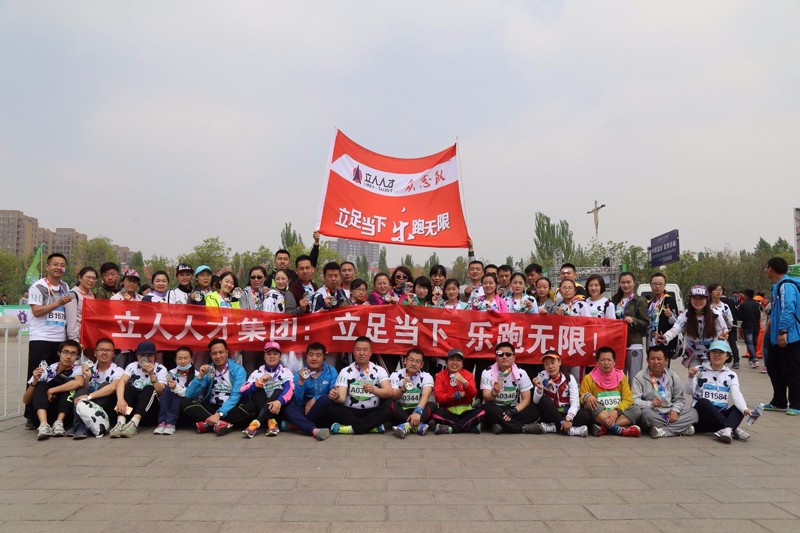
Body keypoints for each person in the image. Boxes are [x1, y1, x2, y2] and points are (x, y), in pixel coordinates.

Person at [686, 340, 754, 443]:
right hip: (701, 417)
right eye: (714, 352)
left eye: (721, 352)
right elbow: (688, 391)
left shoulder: (731, 375)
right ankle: (732, 428)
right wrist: (690, 377)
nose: (717, 355)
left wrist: (745, 410)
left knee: (740, 407)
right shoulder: (698, 370)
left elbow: (736, 393)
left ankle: (727, 430)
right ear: (709, 354)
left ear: (727, 356)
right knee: (703, 402)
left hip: (720, 415)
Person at [181, 338, 252, 435]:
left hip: (231, 408)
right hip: (211, 407)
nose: (218, 356)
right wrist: (200, 376)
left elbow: (236, 396)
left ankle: (207, 424)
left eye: (221, 352)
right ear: (210, 355)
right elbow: (190, 394)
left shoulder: (238, 370)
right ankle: (220, 424)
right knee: (185, 401)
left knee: (250, 406)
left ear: (227, 353)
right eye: (214, 353)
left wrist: (219, 414)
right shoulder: (208, 369)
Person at [327, 336, 392, 434]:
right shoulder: (345, 371)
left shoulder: (379, 370)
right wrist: (336, 396)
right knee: (332, 408)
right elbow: (342, 398)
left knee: (389, 407)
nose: (361, 353)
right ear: (354, 352)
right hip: (351, 412)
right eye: (358, 350)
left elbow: (389, 392)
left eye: (365, 350)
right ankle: (370, 427)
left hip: (372, 412)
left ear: (370, 352)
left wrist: (374, 390)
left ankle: (351, 429)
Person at [23, 339, 85, 440]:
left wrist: (52, 390)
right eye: (65, 352)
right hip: (43, 412)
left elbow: (79, 382)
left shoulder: (77, 369)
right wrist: (34, 382)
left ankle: (59, 423)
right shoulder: (48, 369)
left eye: (73, 354)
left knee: (71, 382)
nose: (68, 357)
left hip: (65, 415)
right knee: (40, 384)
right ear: (59, 353)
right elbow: (25, 400)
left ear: (77, 357)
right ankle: (44, 425)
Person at [632, 346, 698, 438]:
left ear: (666, 360)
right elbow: (635, 400)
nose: (656, 362)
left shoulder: (673, 376)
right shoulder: (640, 377)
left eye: (659, 359)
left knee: (694, 413)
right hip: (653, 413)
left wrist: (675, 411)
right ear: (647, 360)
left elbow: (679, 399)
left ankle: (663, 431)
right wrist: (650, 404)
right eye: (652, 359)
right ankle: (681, 429)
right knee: (645, 415)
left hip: (670, 413)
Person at [657, 285, 728, 368]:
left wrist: (722, 338)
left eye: (701, 298)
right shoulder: (686, 315)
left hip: (711, 354)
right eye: (695, 298)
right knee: (694, 375)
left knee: (710, 374)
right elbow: (676, 328)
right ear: (690, 299)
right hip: (693, 355)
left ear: (707, 299)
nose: (698, 301)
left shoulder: (716, 315)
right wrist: (665, 337)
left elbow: (723, 332)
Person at [763, 257, 800, 415]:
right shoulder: (777, 286)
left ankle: (796, 404)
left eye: (766, 267)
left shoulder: (786, 286)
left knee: (791, 370)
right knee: (774, 367)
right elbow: (778, 308)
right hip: (776, 337)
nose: (765, 270)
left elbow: (789, 308)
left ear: (771, 268)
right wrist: (772, 319)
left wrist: (783, 331)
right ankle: (779, 401)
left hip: (789, 336)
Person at [27, 253, 72, 378]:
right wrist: (58, 303)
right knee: (38, 376)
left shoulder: (65, 286)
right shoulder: (38, 286)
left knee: (56, 377)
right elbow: (36, 312)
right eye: (55, 264)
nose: (59, 268)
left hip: (60, 339)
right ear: (47, 266)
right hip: (41, 338)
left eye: (62, 265)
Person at [109, 341, 168, 438]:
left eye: (149, 355)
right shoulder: (132, 366)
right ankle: (120, 423)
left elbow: (161, 391)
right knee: (128, 388)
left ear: (154, 356)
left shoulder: (161, 369)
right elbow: (122, 381)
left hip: (150, 410)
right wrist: (120, 399)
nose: (146, 359)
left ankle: (134, 423)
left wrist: (151, 374)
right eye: (142, 355)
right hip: (132, 409)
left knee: (149, 388)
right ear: (137, 356)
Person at [579, 347, 642, 437]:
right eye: (603, 360)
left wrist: (616, 411)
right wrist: (587, 396)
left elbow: (628, 399)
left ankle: (605, 427)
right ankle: (619, 430)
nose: (606, 363)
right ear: (597, 362)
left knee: (637, 410)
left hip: (617, 414)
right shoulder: (588, 378)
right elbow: (581, 398)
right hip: (599, 414)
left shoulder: (621, 377)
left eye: (609, 360)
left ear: (614, 362)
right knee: (589, 403)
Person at [525, 350, 591, 436]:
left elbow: (575, 402)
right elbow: (536, 401)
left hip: (567, 413)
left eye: (553, 363)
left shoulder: (569, 378)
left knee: (586, 415)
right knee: (544, 400)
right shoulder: (541, 376)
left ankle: (553, 428)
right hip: (551, 413)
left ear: (559, 362)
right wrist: (539, 389)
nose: (550, 367)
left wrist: (568, 419)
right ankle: (570, 430)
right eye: (546, 364)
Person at [480, 342, 539, 434]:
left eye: (508, 354)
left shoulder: (521, 373)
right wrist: (494, 392)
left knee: (535, 410)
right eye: (500, 354)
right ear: (496, 357)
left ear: (514, 357)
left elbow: (526, 399)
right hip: (495, 409)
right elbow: (486, 397)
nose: (504, 357)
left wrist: (513, 411)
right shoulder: (487, 372)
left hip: (512, 410)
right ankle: (522, 428)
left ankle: (502, 426)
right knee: (487, 407)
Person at [284, 342, 337, 441]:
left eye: (318, 355)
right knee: (289, 409)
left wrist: (315, 399)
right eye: (311, 355)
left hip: (322, 410)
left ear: (324, 358)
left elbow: (332, 394)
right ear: (306, 357)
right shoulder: (299, 374)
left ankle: (300, 425)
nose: (314, 358)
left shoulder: (331, 371)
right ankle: (314, 430)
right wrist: (301, 382)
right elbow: (297, 401)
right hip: (306, 410)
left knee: (326, 399)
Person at [241, 342, 295, 438]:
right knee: (257, 390)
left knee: (279, 390)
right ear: (264, 356)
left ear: (280, 356)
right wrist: (258, 383)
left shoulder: (286, 372)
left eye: (275, 354)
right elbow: (242, 390)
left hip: (278, 409)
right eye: (269, 354)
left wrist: (280, 401)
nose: (272, 357)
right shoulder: (257, 372)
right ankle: (272, 422)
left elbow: (290, 389)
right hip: (261, 407)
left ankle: (255, 424)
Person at [72, 338, 124, 437]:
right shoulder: (88, 368)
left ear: (113, 354)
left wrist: (89, 397)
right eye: (101, 350)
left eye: (108, 350)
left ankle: (81, 426)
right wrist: (87, 377)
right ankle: (81, 426)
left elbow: (113, 387)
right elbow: (84, 389)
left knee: (105, 385)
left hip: (106, 408)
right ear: (95, 353)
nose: (104, 353)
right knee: (81, 390)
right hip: (88, 403)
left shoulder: (118, 370)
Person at [431, 349, 484, 434]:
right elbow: (438, 397)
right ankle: (469, 427)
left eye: (458, 360)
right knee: (435, 413)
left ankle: (450, 429)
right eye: (451, 359)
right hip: (448, 412)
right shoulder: (440, 376)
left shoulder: (468, 375)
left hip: (466, 412)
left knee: (482, 411)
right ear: (446, 362)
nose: (455, 363)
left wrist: (464, 382)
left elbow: (473, 394)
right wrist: (454, 396)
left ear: (462, 364)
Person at [612, 272, 649, 380]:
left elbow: (646, 323)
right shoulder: (615, 300)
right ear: (619, 284)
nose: (626, 285)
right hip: (618, 344)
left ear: (634, 283)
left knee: (634, 378)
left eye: (628, 282)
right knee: (619, 378)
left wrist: (633, 320)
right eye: (623, 282)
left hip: (633, 344)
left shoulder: (640, 301)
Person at [389, 348, 434, 438]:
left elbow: (425, 395)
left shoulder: (426, 376)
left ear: (422, 365)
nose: (413, 364)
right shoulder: (395, 375)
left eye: (417, 361)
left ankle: (407, 426)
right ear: (405, 361)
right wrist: (402, 389)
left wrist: (417, 412)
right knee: (388, 403)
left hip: (419, 412)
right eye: (411, 360)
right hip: (401, 412)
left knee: (432, 405)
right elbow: (393, 397)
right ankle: (416, 426)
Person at [153, 346, 196, 435]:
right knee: (167, 390)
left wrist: (176, 388)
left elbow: (189, 393)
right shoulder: (171, 373)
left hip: (187, 402)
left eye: (186, 358)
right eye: (180, 359)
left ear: (191, 359)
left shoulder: (197, 375)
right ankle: (162, 422)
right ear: (175, 360)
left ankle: (170, 423)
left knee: (177, 394)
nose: (183, 361)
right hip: (171, 401)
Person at [646, 273, 679, 359]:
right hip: (651, 339)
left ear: (664, 285)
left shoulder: (669, 300)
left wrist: (670, 315)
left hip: (663, 340)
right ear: (651, 285)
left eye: (660, 284)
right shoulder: (650, 303)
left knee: (662, 365)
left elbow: (677, 322)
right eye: (655, 284)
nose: (657, 286)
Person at [65, 266, 97, 343]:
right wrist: (74, 341)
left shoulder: (92, 295)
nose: (91, 280)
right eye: (88, 277)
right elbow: (71, 320)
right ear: (80, 278)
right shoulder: (72, 295)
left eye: (94, 278)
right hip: (78, 338)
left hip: (89, 337)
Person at [738, 289, 762, 368]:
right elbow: (759, 315)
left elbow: (740, 316)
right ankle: (751, 360)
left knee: (749, 343)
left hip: (747, 326)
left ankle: (755, 359)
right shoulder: (757, 305)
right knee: (754, 343)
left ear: (746, 295)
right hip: (756, 326)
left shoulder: (743, 305)